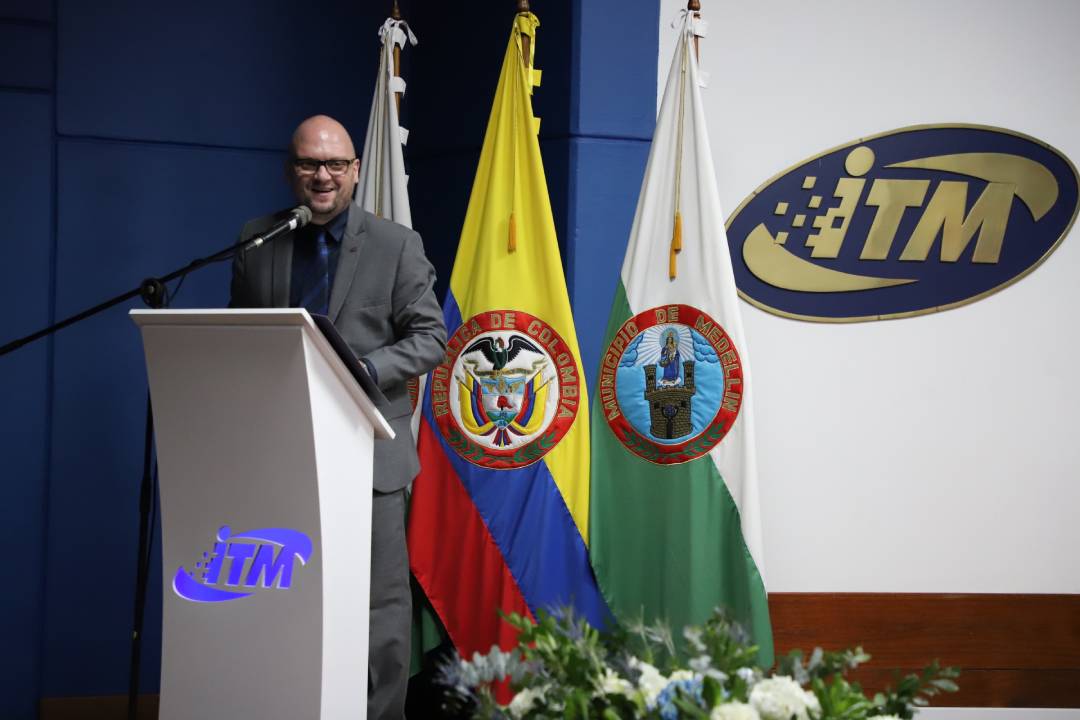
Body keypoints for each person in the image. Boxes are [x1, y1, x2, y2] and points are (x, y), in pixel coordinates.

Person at [229, 115, 447, 719]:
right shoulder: (257, 239)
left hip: (369, 450)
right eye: (308, 164)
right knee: (289, 595)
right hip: (282, 452)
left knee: (379, 606)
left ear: (354, 171)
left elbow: (432, 338)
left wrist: (363, 370)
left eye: (333, 164)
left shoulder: (396, 244)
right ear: (290, 170)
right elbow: (242, 336)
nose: (321, 176)